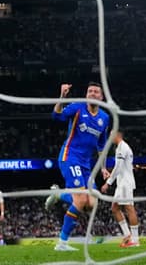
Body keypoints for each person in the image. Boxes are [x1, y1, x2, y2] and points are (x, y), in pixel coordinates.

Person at [49, 81, 110, 251]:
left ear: (101, 97)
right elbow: (56, 116)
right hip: (70, 157)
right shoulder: (77, 107)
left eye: (96, 92)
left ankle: (60, 195)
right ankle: (62, 243)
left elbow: (102, 145)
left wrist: (103, 167)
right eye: (90, 91)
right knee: (81, 199)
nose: (92, 94)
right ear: (86, 95)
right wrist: (62, 97)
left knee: (92, 203)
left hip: (86, 165)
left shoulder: (105, 118)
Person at [101, 131, 140, 247]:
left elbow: (118, 167)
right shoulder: (120, 147)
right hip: (121, 183)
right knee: (115, 208)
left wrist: (108, 183)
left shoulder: (122, 147)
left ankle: (135, 240)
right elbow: (120, 168)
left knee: (129, 208)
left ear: (117, 135)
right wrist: (112, 176)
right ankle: (127, 235)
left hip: (125, 183)